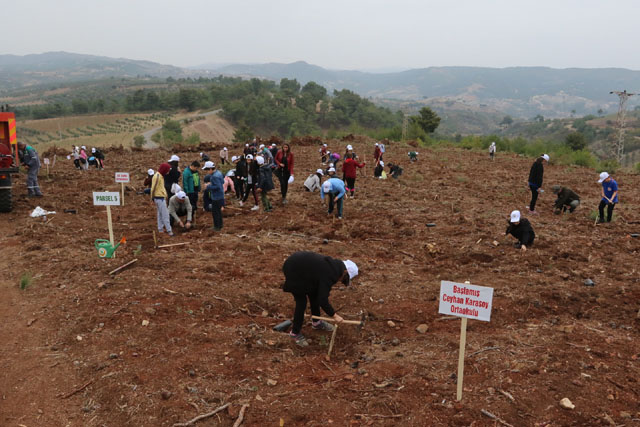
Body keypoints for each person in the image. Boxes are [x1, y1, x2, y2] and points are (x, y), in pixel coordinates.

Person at [281, 251, 359, 347]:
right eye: (344, 279)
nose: (341, 281)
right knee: (301, 302)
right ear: (345, 272)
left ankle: (316, 322)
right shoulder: (330, 273)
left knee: (314, 294)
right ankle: (295, 333)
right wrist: (334, 315)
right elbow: (323, 300)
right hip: (294, 269)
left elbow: (319, 294)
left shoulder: (334, 267)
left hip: (304, 271)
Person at [202, 161, 225, 231]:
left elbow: (217, 186)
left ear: (210, 169)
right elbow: (222, 182)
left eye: (207, 170)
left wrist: (208, 186)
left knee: (215, 212)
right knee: (218, 212)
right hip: (220, 195)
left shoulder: (214, 176)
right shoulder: (219, 173)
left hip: (216, 196)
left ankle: (217, 227)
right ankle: (220, 225)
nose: (207, 172)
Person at [150, 163, 172, 236]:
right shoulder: (157, 177)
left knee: (160, 214)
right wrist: (152, 198)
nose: (168, 172)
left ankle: (161, 230)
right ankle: (169, 231)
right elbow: (153, 188)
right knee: (165, 215)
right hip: (159, 198)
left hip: (160, 197)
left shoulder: (160, 176)